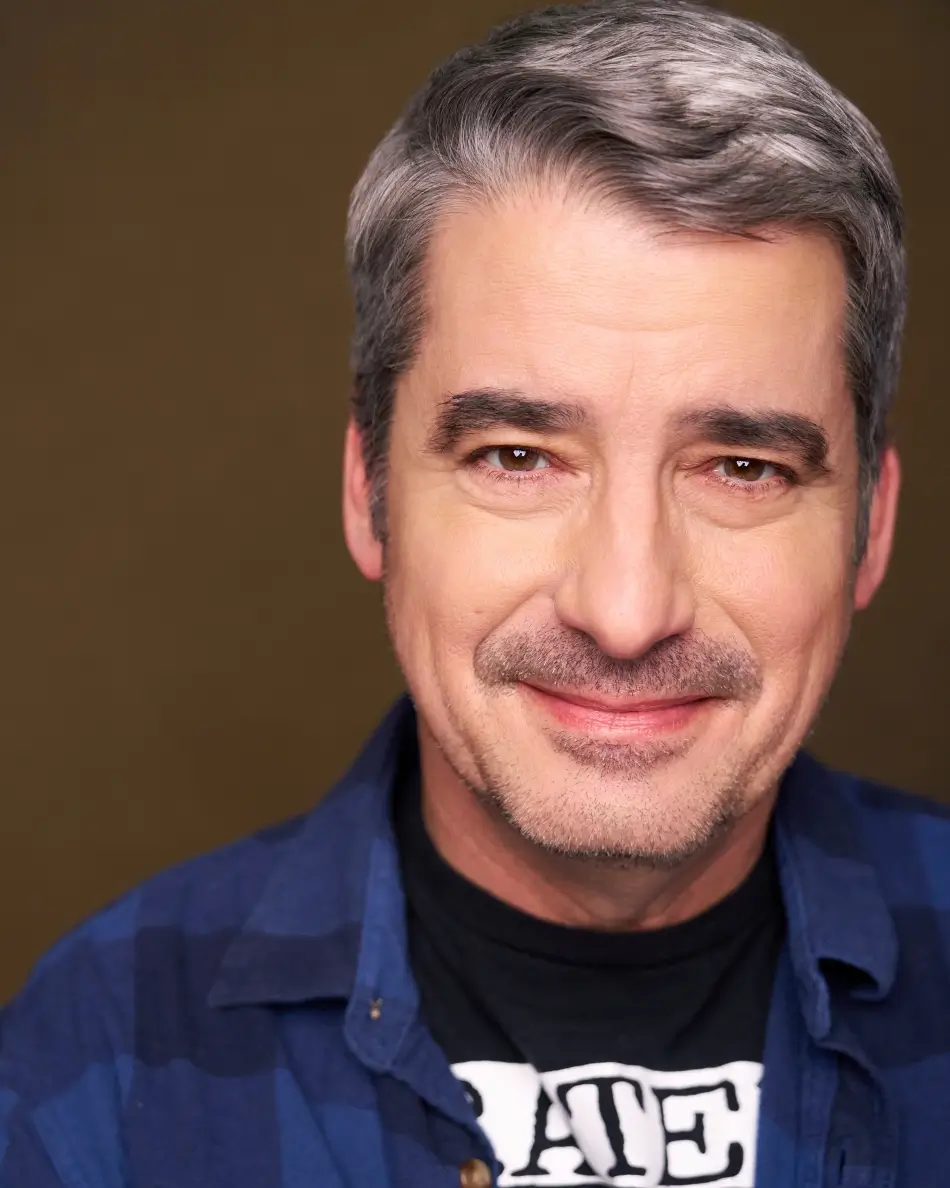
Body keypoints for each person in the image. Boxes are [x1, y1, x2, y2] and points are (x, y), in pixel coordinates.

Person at [2, 0, 946, 1184]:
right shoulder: (96, 1067)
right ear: (369, 493)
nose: (624, 606)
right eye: (516, 456)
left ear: (869, 526)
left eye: (741, 469)